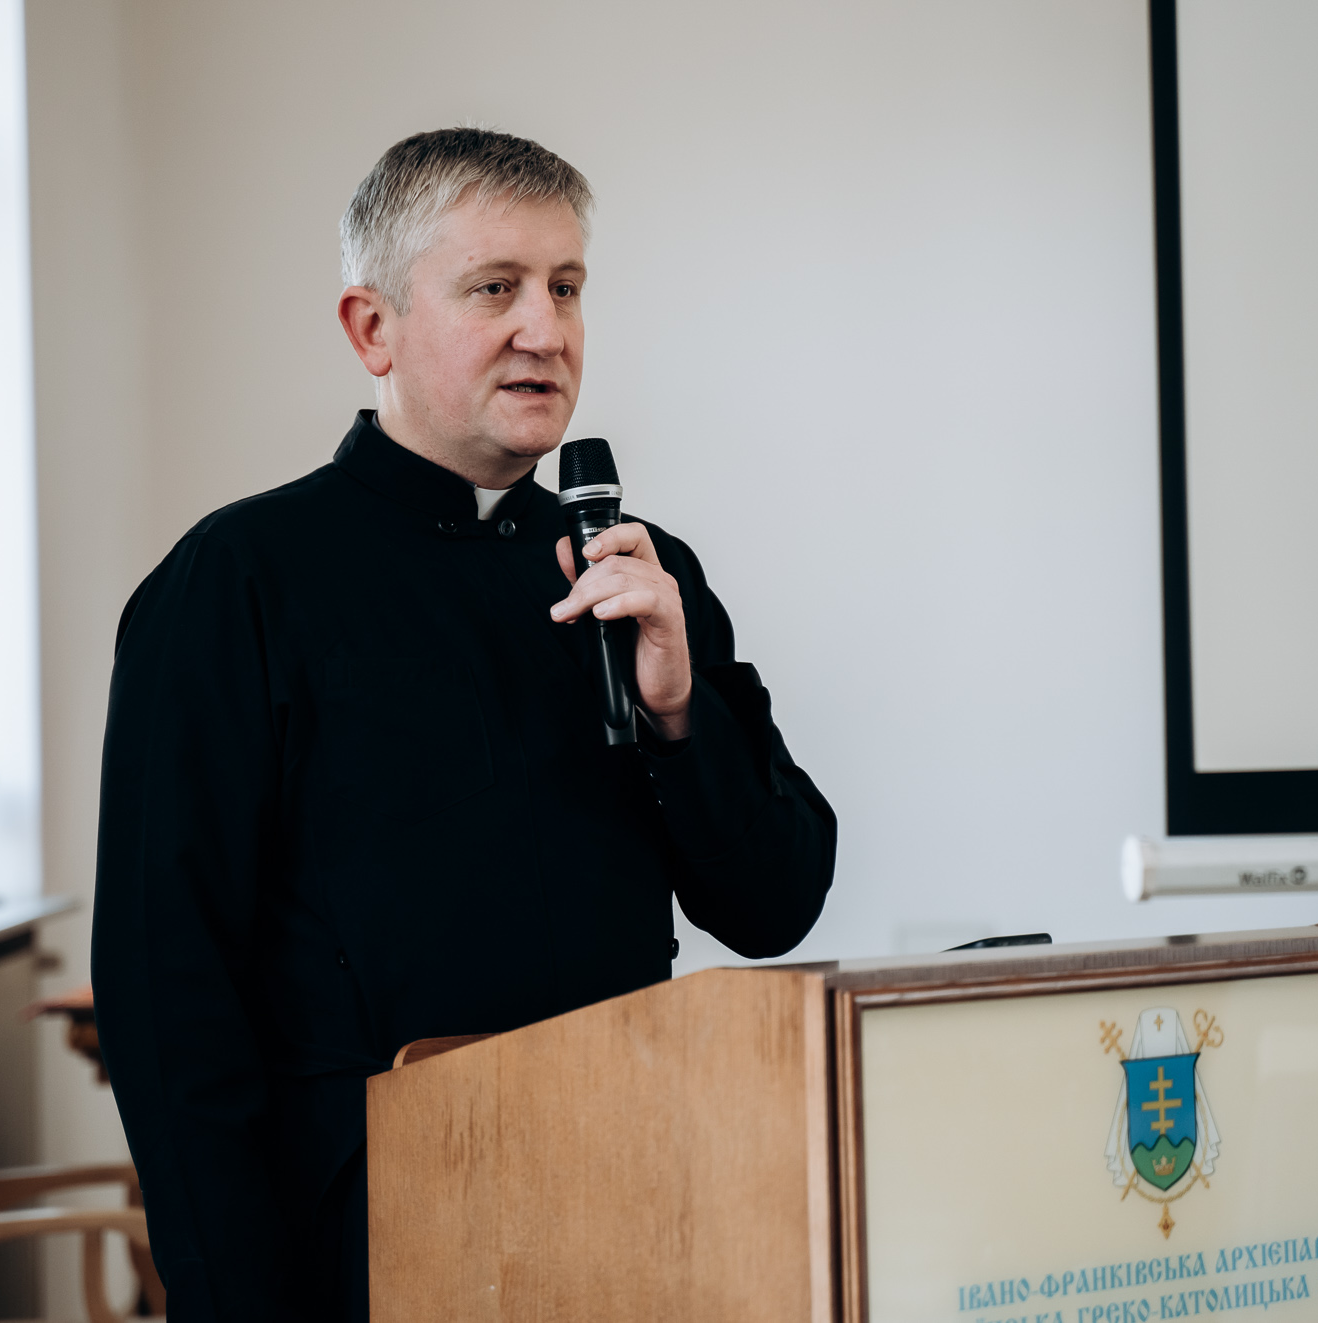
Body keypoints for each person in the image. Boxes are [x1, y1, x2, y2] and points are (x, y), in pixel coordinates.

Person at [91, 127, 837, 1323]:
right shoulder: (236, 583)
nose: (544, 329)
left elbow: (774, 905)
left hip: (632, 1200)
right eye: (495, 288)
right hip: (361, 1234)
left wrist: (677, 710)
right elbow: (165, 990)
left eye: (565, 287)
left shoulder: (639, 571)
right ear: (370, 328)